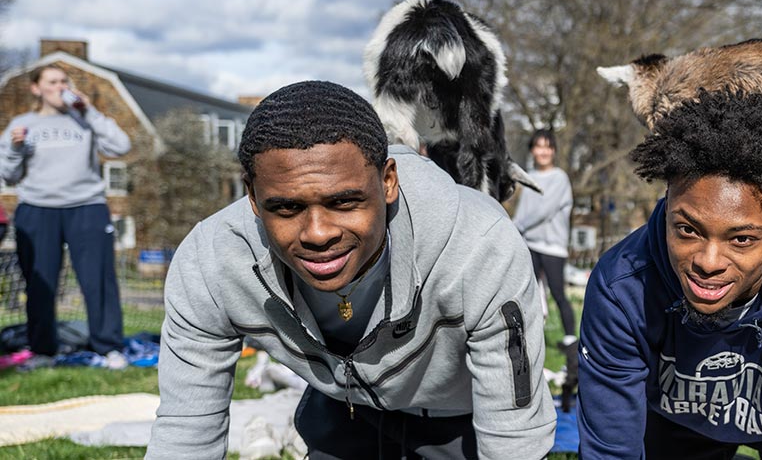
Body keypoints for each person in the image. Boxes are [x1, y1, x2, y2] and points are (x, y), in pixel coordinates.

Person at [147, 81, 555, 459]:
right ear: (253, 198)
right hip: (345, 410)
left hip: (458, 421)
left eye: (344, 202)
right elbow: (186, 432)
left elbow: (513, 437)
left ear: (388, 181)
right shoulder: (210, 264)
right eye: (287, 208)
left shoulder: (479, 243)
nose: (318, 233)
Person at [577, 90, 762, 459]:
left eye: (741, 239)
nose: (708, 262)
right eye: (688, 230)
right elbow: (611, 449)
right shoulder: (622, 285)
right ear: (669, 202)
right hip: (674, 424)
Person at [0, 65, 131, 370]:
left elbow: (121, 146)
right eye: (52, 81)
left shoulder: (85, 119)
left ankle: (108, 348)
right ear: (37, 88)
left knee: (99, 279)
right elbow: (8, 174)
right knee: (39, 282)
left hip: (86, 206)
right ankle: (43, 351)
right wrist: (16, 149)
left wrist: (90, 112)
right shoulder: (22, 124)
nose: (60, 86)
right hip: (36, 208)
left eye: (64, 81)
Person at [512, 128, 578, 408]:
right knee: (529, 295)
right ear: (532, 150)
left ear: (553, 150)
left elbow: (544, 210)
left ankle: (570, 340)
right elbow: (523, 210)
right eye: (538, 146)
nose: (542, 151)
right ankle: (530, 339)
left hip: (551, 246)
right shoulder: (528, 178)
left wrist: (516, 226)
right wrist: (515, 229)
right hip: (530, 243)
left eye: (547, 146)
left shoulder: (559, 178)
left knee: (559, 294)